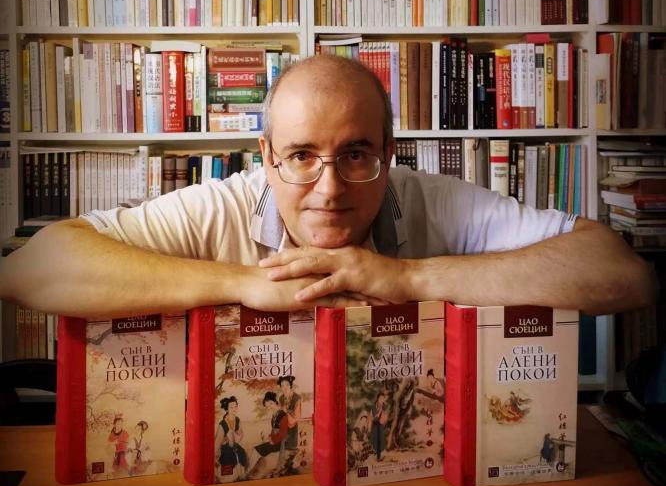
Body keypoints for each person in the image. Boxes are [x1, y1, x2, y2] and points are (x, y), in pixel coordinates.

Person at [0, 54, 657, 319]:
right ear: (265, 158)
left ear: (389, 154)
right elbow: (31, 267)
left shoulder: (434, 201)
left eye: (355, 154)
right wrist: (243, 284)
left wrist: (406, 277)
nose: (329, 188)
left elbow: (623, 275)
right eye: (301, 156)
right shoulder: (220, 208)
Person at [215, 396, 248, 479]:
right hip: (225, 448)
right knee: (228, 461)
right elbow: (217, 443)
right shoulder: (222, 424)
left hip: (235, 445)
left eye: (235, 406)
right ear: (227, 409)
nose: (234, 409)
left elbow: (240, 435)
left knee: (242, 453)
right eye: (231, 407)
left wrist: (236, 436)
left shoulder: (238, 420)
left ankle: (241, 476)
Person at [276, 376, 301, 472]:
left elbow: (296, 418)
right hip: (283, 426)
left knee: (291, 449)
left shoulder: (297, 398)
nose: (285, 388)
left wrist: (286, 411)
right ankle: (283, 467)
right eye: (282, 386)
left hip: (292, 426)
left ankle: (291, 465)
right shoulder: (281, 398)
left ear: (291, 385)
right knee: (282, 449)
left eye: (287, 385)